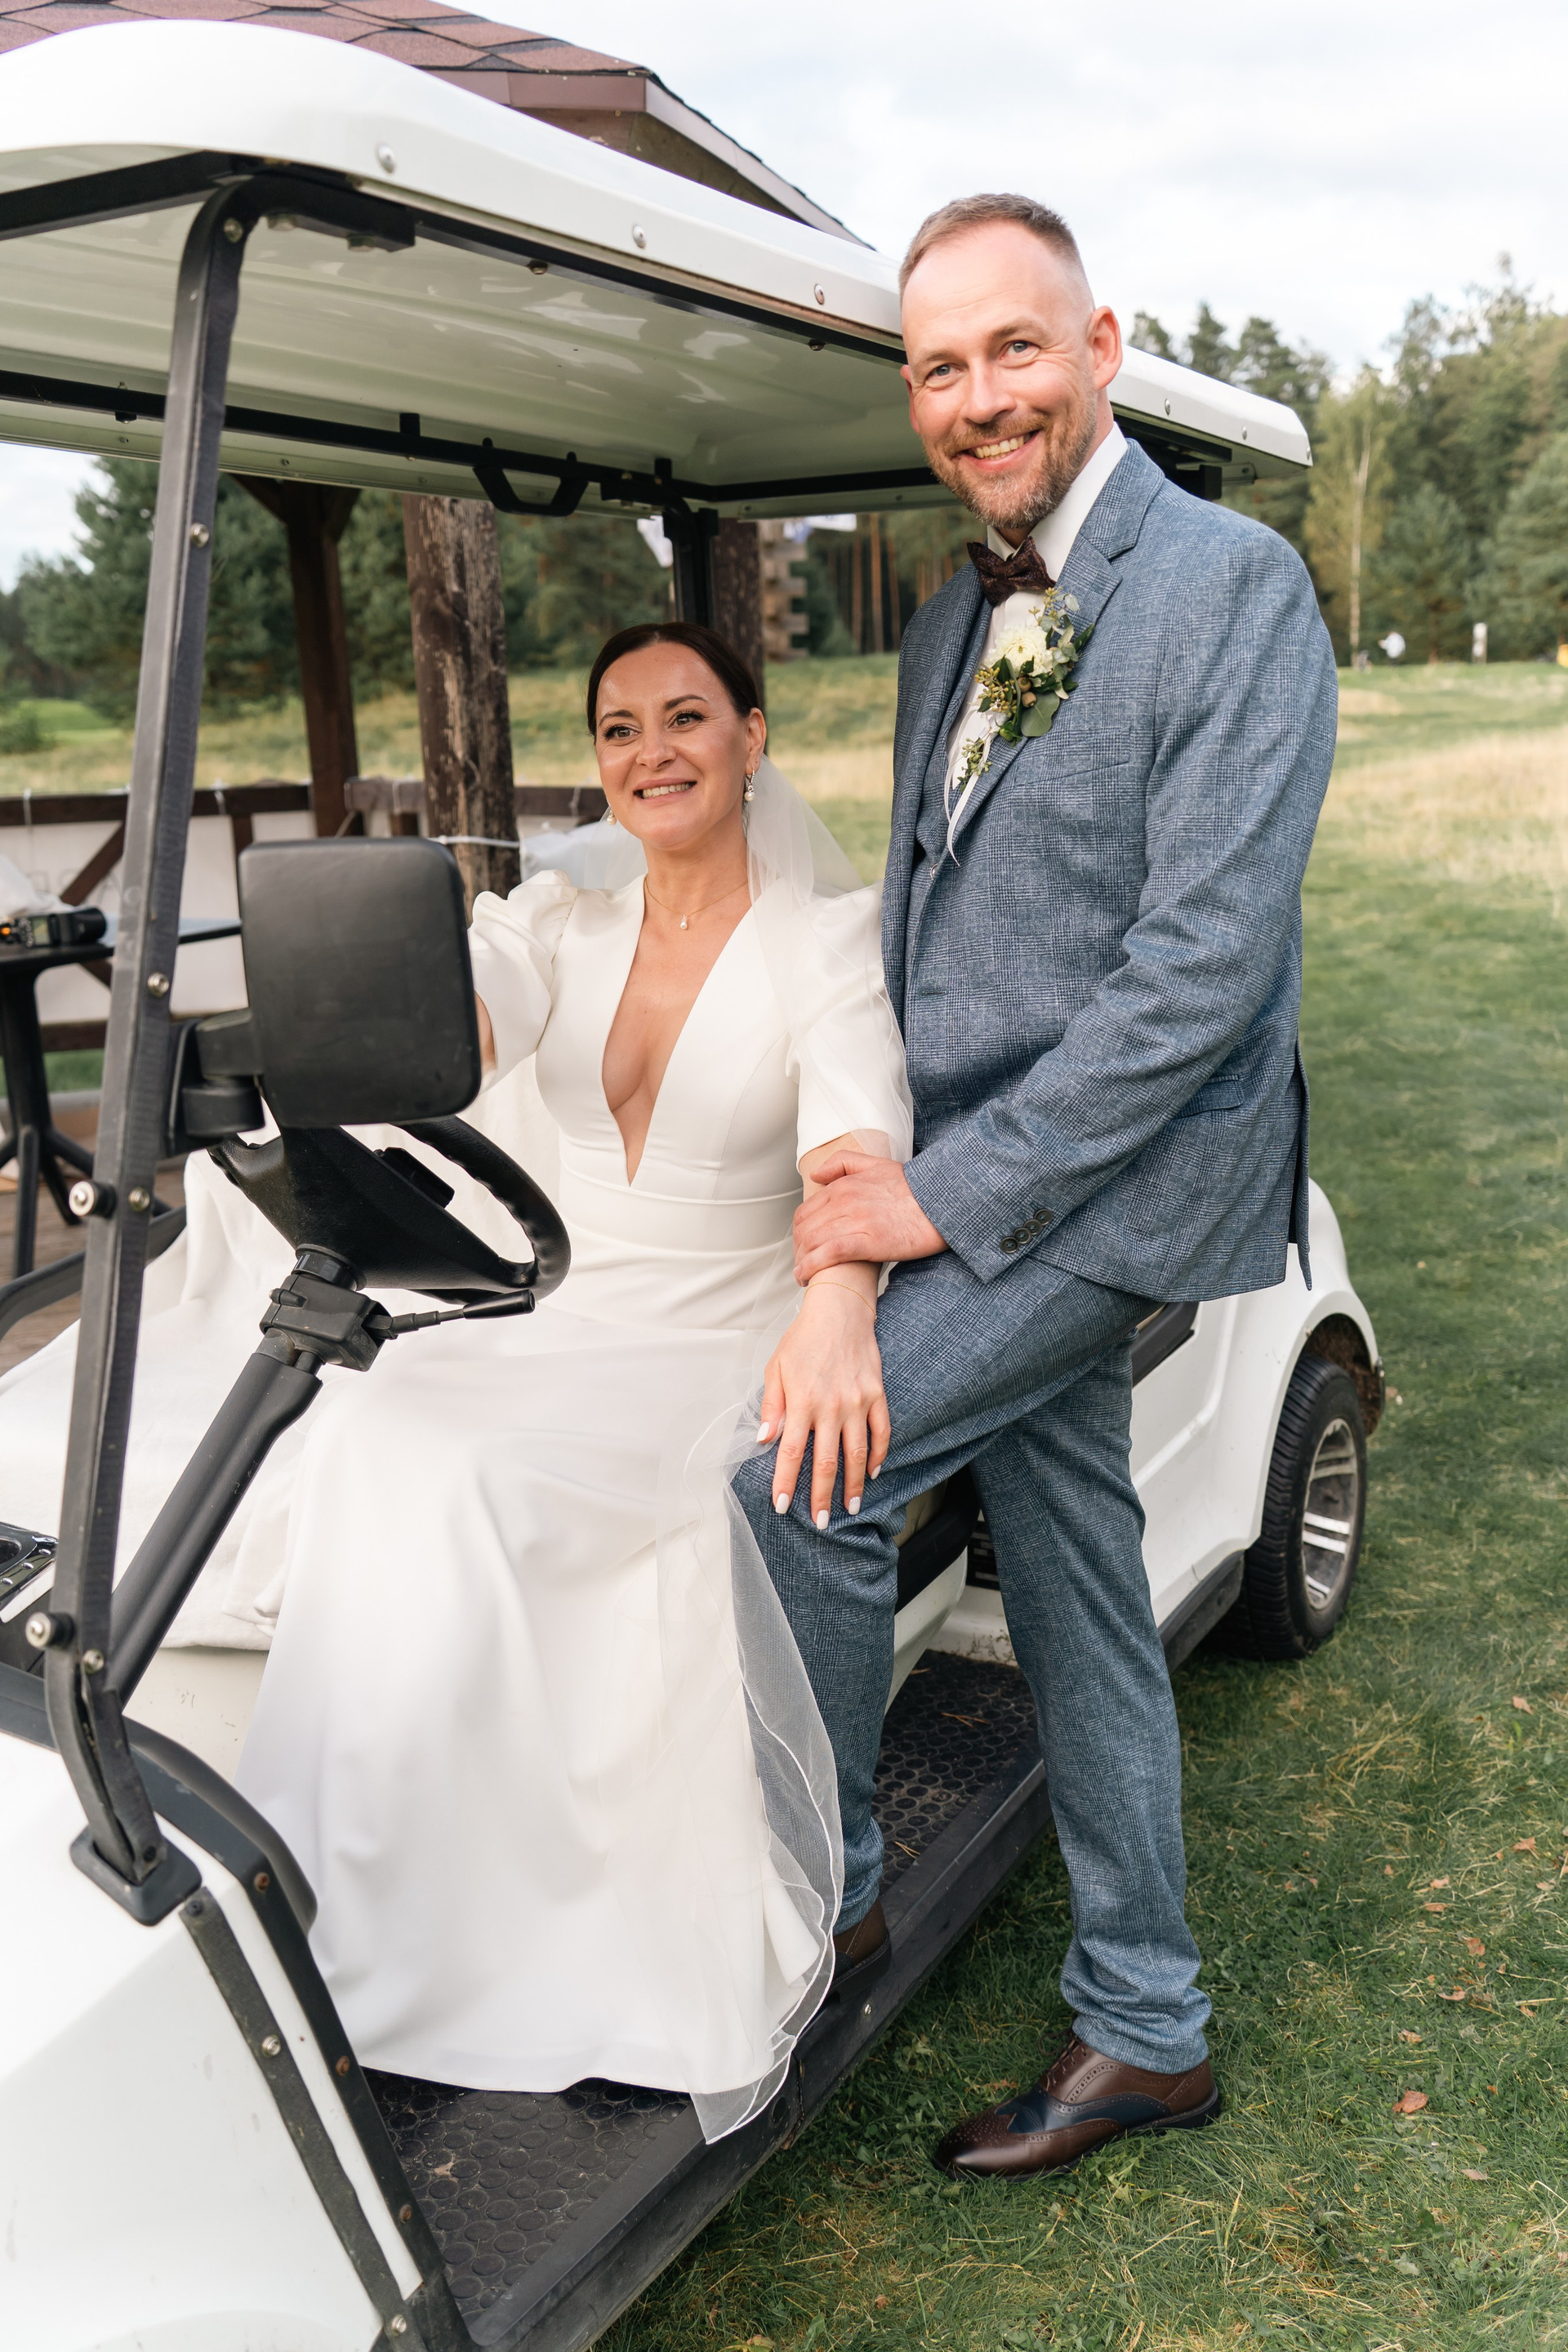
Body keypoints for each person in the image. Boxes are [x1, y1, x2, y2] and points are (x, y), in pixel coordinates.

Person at [0, 623, 912, 2142]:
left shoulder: (824, 945)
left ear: (752, 738)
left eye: (687, 718)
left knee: (474, 1474)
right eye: (618, 728)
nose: (653, 752)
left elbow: (852, 1153)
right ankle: (337, 1905)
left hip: (709, 1333)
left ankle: (517, 1936)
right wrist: (363, 1012)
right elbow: (451, 1021)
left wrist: (840, 1305)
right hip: (564, 1312)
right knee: (368, 1424)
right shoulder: (560, 921)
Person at [733, 193, 1338, 2180]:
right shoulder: (949, 619)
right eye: (939, 367)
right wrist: (870, 1164)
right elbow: (927, 937)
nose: (979, 397)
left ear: (1100, 347)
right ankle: (1149, 2027)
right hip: (979, 1175)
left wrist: (936, 1204)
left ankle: (827, 1898)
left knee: (803, 1481)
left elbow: (1201, 971)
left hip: (1125, 1183)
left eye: (1014, 347)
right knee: (1081, 1593)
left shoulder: (1233, 587)